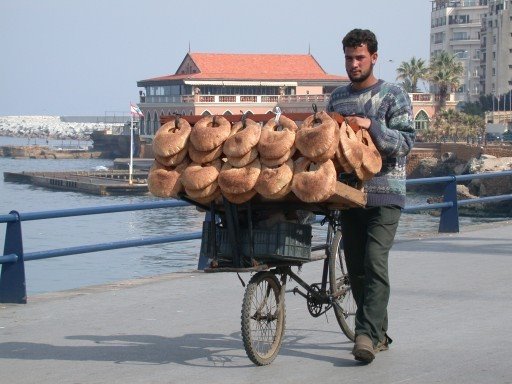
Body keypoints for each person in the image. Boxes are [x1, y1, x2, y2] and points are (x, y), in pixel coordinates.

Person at [326, 28, 415, 363]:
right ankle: (378, 333)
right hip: (348, 196)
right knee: (357, 269)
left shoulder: (393, 95)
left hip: (386, 194)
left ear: (374, 57)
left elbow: (406, 142)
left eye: (360, 57)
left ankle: (364, 336)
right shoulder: (336, 98)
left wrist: (370, 126)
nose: (353, 64)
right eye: (349, 58)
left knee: (374, 262)